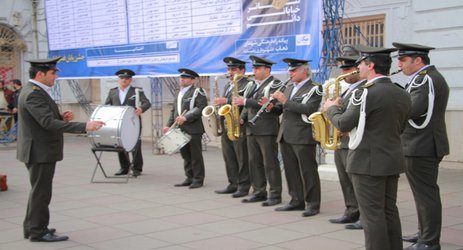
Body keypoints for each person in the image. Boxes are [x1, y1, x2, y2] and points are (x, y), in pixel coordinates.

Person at [322, 45, 411, 250]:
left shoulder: (364, 93)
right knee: (389, 210)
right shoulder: (401, 93)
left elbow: (343, 123)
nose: (358, 68)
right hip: (391, 159)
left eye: (361, 63)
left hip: (366, 162)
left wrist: (331, 108)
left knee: (372, 215)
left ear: (370, 65)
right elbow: (401, 127)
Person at [17, 57, 104, 242]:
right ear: (40, 74)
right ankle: (38, 232)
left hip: (39, 150)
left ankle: (32, 227)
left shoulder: (35, 90)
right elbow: (47, 123)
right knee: (41, 192)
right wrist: (85, 126)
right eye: (53, 73)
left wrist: (61, 117)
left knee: (38, 191)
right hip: (39, 152)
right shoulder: (34, 93)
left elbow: (44, 119)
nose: (55, 76)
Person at [393, 42, 449, 250]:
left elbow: (414, 109)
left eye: (403, 60)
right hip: (420, 143)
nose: (400, 64)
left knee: (426, 195)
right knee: (422, 194)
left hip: (422, 144)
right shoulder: (424, 78)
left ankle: (429, 241)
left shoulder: (425, 79)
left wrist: (393, 98)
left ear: (418, 60)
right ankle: (424, 233)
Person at [271, 58, 323, 216]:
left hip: (303, 135)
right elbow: (282, 110)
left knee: (308, 171)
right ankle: (296, 200)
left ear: (304, 71)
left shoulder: (315, 88)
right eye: (290, 70)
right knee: (290, 170)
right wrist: (271, 106)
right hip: (286, 134)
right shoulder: (288, 87)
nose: (290, 73)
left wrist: (285, 101)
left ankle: (313, 203)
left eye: (293, 70)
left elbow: (309, 109)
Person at [233, 55, 282, 205]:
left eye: (257, 68)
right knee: (254, 162)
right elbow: (247, 107)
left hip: (267, 129)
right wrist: (241, 117)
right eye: (253, 68)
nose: (253, 70)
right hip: (251, 129)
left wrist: (246, 101)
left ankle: (274, 194)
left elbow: (273, 105)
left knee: (270, 163)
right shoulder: (252, 85)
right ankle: (259, 191)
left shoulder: (275, 84)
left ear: (267, 69)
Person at [328, 46, 365, 230]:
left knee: (356, 182)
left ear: (358, 69)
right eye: (343, 69)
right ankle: (351, 210)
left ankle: (363, 215)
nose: (345, 73)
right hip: (340, 142)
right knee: (345, 180)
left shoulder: (362, 90)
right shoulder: (346, 90)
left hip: (352, 141)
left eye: (349, 69)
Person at [213, 57, 252, 197]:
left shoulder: (248, 84)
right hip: (227, 124)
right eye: (228, 69)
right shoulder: (227, 85)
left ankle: (244, 185)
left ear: (242, 70)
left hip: (239, 124)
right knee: (229, 156)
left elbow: (245, 102)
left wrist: (226, 100)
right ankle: (233, 183)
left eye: (233, 69)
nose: (230, 72)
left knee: (241, 157)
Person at [163, 68, 207, 189]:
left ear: (193, 80)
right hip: (180, 129)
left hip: (193, 128)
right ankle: (189, 177)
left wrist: (186, 117)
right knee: (186, 155)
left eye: (186, 77)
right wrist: (168, 125)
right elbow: (174, 110)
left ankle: (198, 179)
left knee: (195, 155)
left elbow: (201, 108)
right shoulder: (178, 92)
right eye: (181, 77)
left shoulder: (198, 91)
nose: (182, 79)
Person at [105, 69, 151, 177]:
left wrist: (141, 108)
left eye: (126, 78)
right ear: (118, 79)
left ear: (130, 80)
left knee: (135, 145)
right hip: (118, 123)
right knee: (120, 144)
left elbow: (147, 103)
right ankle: (124, 167)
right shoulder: (113, 92)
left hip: (133, 123)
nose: (124, 80)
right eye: (121, 78)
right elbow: (107, 105)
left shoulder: (137, 91)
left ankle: (137, 168)